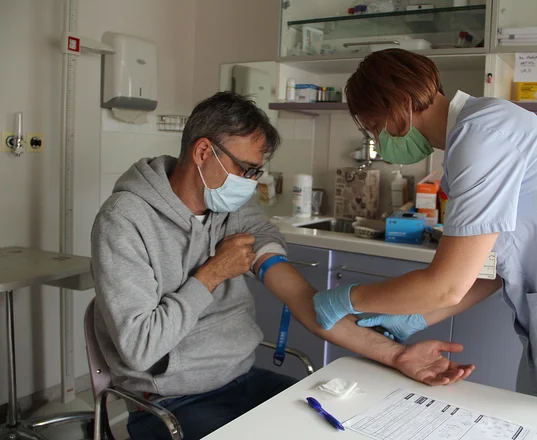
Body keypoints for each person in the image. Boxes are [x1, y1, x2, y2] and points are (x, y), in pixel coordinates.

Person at [91, 91, 475, 440]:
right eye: (245, 169)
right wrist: (211, 274)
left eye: (256, 172)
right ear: (204, 152)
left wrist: (395, 355)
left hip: (242, 380)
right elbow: (140, 349)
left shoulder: (232, 209)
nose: (249, 183)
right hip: (170, 403)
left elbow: (303, 300)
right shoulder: (124, 221)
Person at [312, 49, 537, 423]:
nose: (380, 142)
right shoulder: (480, 132)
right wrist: (415, 317)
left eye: (376, 127)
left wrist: (347, 299)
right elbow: (489, 269)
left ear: (401, 104)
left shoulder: (483, 136)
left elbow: (446, 285)